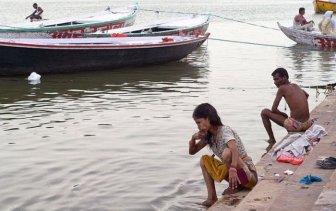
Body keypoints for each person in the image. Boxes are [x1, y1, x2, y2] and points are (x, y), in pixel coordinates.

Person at [189, 103, 258, 207]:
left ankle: (235, 186)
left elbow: (234, 150)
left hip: (248, 177)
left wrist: (233, 168)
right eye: (196, 123)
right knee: (204, 160)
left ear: (208, 118)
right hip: (236, 178)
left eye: (199, 122)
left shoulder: (224, 130)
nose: (198, 126)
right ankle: (211, 198)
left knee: (227, 152)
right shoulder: (209, 136)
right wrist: (193, 139)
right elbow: (192, 151)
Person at [261, 68, 312, 143]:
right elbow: (306, 95)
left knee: (264, 112)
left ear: (284, 77)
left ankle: (272, 140)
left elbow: (273, 109)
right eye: (274, 80)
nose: (275, 82)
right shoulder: (295, 85)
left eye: (277, 79)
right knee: (289, 118)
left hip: (296, 126)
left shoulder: (282, 88)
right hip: (307, 124)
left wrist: (283, 114)